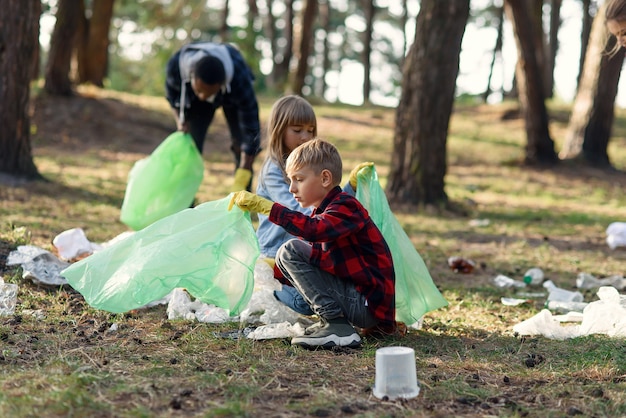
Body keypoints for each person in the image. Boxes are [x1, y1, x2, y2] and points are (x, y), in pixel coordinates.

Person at [229, 139, 395, 349]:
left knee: (289, 250)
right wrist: (274, 269)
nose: (291, 188)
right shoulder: (327, 209)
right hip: (361, 302)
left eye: (298, 179)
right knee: (289, 268)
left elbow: (313, 230)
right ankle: (333, 322)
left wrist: (270, 208)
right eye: (290, 180)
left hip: (365, 304)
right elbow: (319, 260)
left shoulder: (345, 206)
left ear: (325, 178)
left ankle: (337, 325)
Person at [165, 42, 261, 192]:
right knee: (191, 145)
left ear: (221, 85)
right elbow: (172, 98)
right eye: (200, 90)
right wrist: (181, 121)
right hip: (193, 99)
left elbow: (251, 125)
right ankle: (185, 202)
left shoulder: (239, 80)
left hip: (231, 95)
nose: (203, 97)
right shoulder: (176, 67)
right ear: (192, 77)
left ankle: (243, 201)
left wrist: (246, 164)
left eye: (208, 92)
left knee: (241, 144)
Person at [255, 95, 317, 315]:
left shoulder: (306, 165)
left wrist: (348, 191)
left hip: (297, 248)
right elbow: (294, 209)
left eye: (310, 130)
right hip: (275, 251)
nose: (305, 137)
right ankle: (270, 291)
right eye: (298, 130)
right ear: (280, 130)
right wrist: (330, 215)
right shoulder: (273, 169)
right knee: (304, 303)